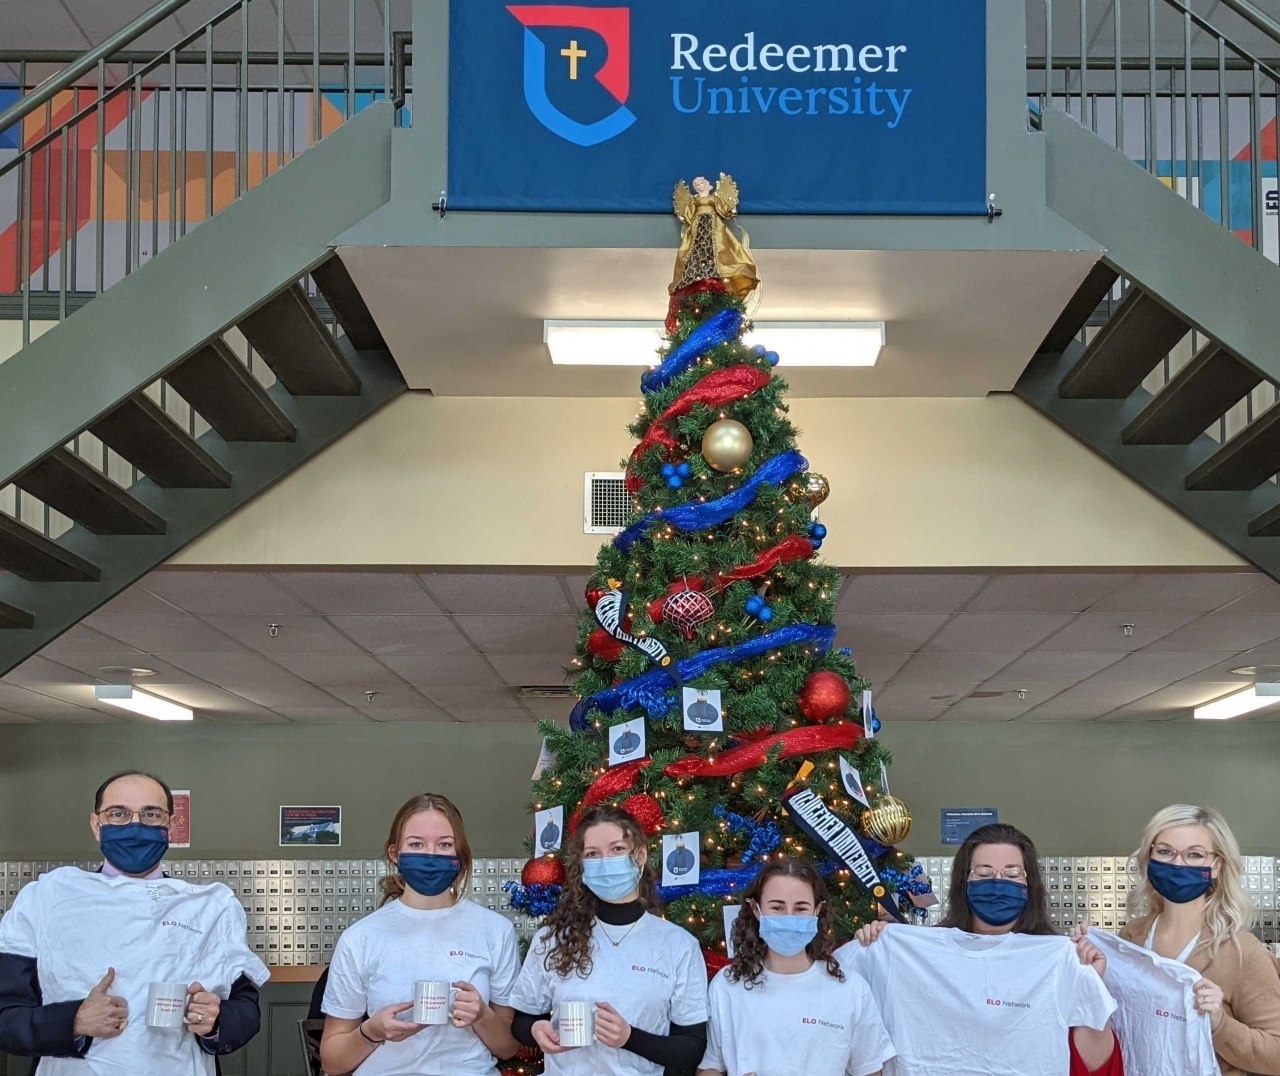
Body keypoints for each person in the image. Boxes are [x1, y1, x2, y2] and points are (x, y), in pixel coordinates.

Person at [0, 770, 266, 1075]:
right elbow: (5, 1015)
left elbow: (246, 1010)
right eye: (118, 814)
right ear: (96, 826)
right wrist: (72, 1021)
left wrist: (216, 1021)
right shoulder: (45, 900)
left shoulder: (209, 907)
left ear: (170, 825)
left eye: (151, 814)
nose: (135, 826)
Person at [842, 822, 1120, 1076]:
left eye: (1012, 873)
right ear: (964, 882)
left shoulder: (1056, 959)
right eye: (984, 872)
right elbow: (836, 999)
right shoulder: (910, 953)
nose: (998, 882)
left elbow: (1096, 1066)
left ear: (1029, 884)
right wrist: (871, 946)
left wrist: (1089, 983)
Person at [320, 792, 520, 1075]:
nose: (430, 855)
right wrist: (371, 1031)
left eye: (444, 845)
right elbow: (332, 1061)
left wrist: (481, 1016)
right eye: (416, 844)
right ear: (395, 854)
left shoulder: (496, 931)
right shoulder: (360, 938)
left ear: (460, 856)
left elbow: (508, 1047)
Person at [510, 804, 708, 1075]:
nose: (605, 862)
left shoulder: (678, 945)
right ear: (582, 864)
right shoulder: (552, 939)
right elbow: (522, 1019)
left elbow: (692, 1048)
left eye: (617, 849)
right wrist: (535, 1030)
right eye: (593, 854)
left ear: (639, 856)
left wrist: (629, 1038)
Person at [1114, 803, 1280, 1076]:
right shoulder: (1131, 936)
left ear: (1216, 866)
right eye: (1165, 851)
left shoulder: (1241, 952)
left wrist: (1219, 1024)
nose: (1178, 863)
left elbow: (1276, 1056)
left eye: (1194, 855)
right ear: (1149, 857)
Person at [697, 858, 894, 1076]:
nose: (789, 917)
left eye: (800, 908)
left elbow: (869, 1071)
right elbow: (711, 1065)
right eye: (777, 907)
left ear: (817, 910)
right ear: (756, 909)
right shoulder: (727, 985)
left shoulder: (852, 990)